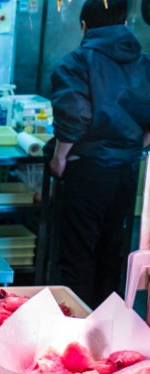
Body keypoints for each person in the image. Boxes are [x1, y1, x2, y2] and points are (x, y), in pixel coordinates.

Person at [49, 0, 150, 309]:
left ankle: (76, 328)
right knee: (113, 249)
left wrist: (60, 155)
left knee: (79, 251)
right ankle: (106, 328)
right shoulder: (143, 62)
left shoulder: (76, 63)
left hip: (88, 169)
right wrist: (140, 144)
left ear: (84, 26)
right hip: (127, 171)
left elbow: (75, 116)